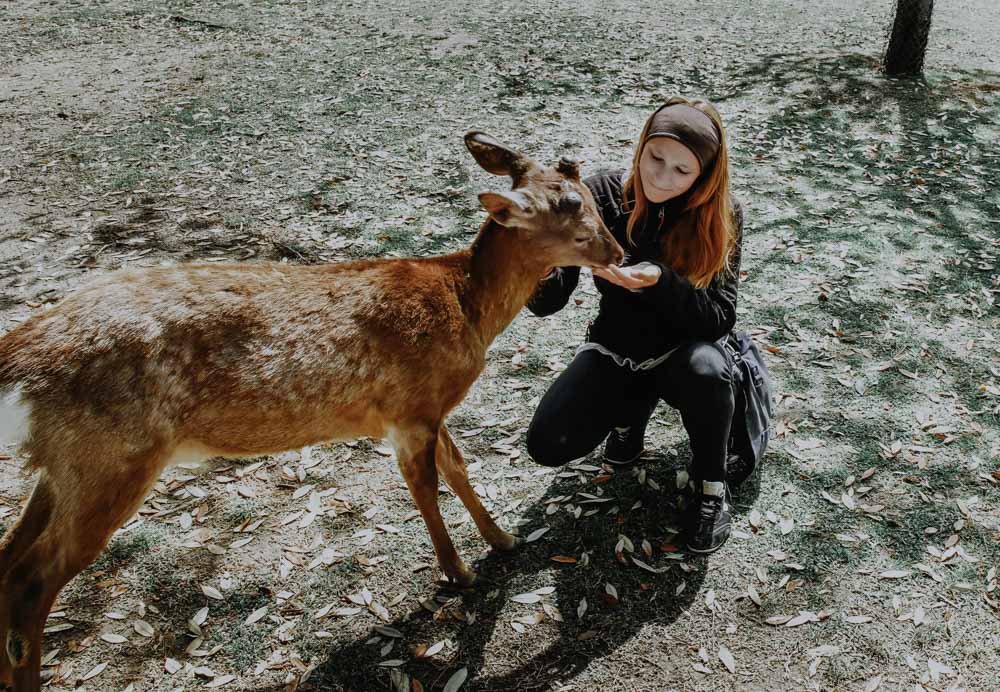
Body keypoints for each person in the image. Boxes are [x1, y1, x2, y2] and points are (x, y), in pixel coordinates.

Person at [525, 96, 748, 554]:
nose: (661, 177)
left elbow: (720, 317)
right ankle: (629, 414)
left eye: (682, 171)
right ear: (641, 146)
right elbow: (549, 303)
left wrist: (661, 282)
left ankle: (710, 488)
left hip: (684, 354)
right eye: (655, 157)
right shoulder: (604, 192)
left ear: (704, 175)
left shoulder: (722, 215)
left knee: (708, 370)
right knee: (549, 443)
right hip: (615, 346)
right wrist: (543, 262)